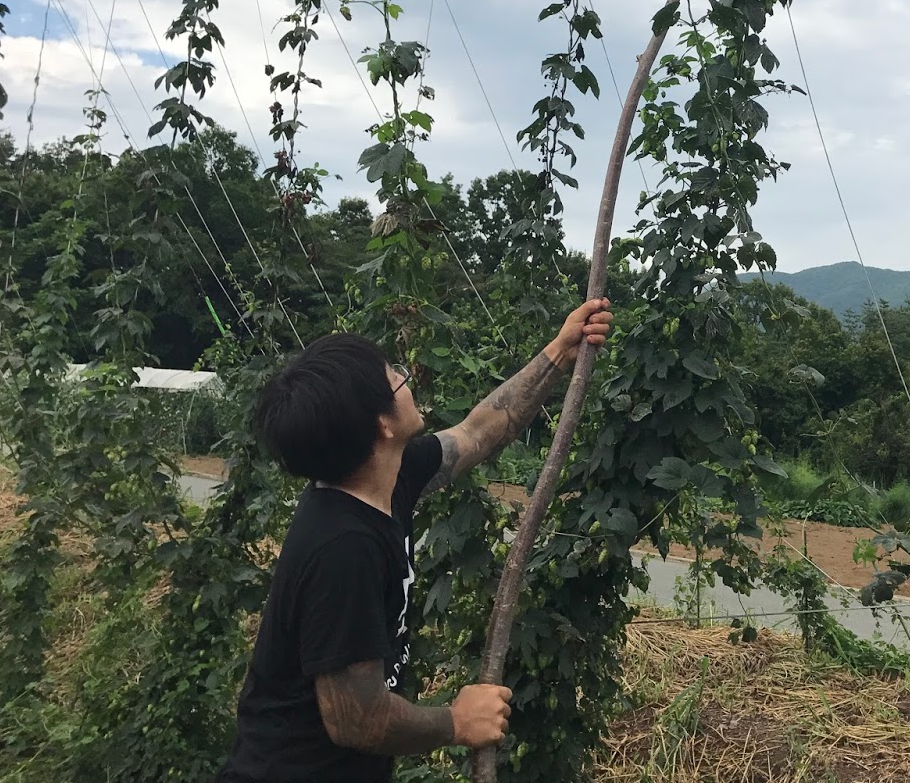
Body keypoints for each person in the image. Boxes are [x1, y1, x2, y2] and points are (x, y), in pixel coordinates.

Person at [215, 298, 613, 783]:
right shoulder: (342, 548)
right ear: (381, 424)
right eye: (396, 376)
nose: (407, 380)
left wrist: (559, 351)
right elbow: (356, 718)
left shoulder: (384, 474)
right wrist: (457, 722)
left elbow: (479, 432)